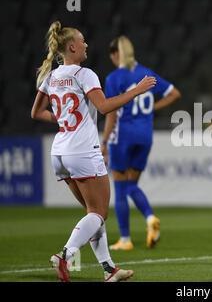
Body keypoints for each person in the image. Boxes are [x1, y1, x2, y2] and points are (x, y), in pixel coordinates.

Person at [31, 22, 156, 281]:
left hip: (60, 152)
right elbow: (105, 107)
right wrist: (136, 90)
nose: (86, 44)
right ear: (72, 46)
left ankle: (110, 270)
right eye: (82, 41)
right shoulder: (84, 73)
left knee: (93, 213)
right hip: (82, 150)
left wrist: (65, 119)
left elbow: (36, 112)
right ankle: (65, 255)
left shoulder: (51, 76)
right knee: (99, 213)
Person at [102, 36, 181, 251]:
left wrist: (104, 140)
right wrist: (153, 108)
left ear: (116, 54)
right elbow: (175, 93)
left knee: (120, 187)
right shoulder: (147, 74)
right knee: (132, 185)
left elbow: (111, 114)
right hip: (145, 135)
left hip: (123, 136)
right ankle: (149, 217)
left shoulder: (113, 78)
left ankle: (125, 239)